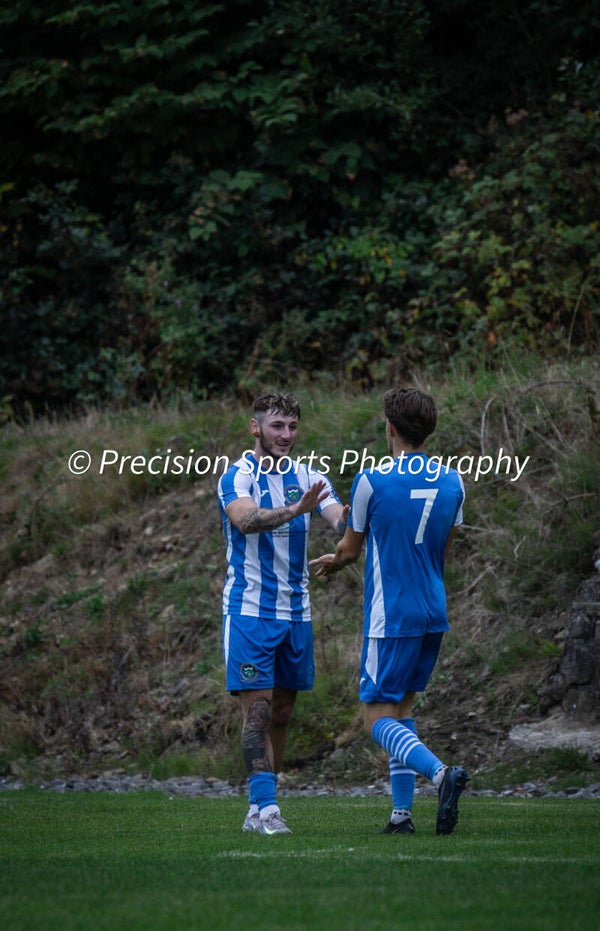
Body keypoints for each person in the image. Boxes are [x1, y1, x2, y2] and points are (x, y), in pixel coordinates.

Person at [310, 387, 468, 836]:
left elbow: (350, 548)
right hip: (432, 611)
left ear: (391, 429)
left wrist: (334, 562)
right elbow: (442, 553)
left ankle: (441, 775)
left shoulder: (371, 481)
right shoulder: (454, 482)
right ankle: (401, 816)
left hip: (390, 615)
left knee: (376, 718)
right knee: (402, 710)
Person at [217, 391, 347, 835]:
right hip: (250, 610)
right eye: (277, 426)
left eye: (292, 426)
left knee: (282, 714)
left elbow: (340, 520)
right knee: (256, 711)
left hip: (297, 613)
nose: (286, 435)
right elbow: (246, 520)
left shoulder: (312, 477)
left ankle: (258, 807)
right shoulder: (236, 476)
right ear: (256, 428)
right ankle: (267, 808)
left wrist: (371, 512)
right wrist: (295, 509)